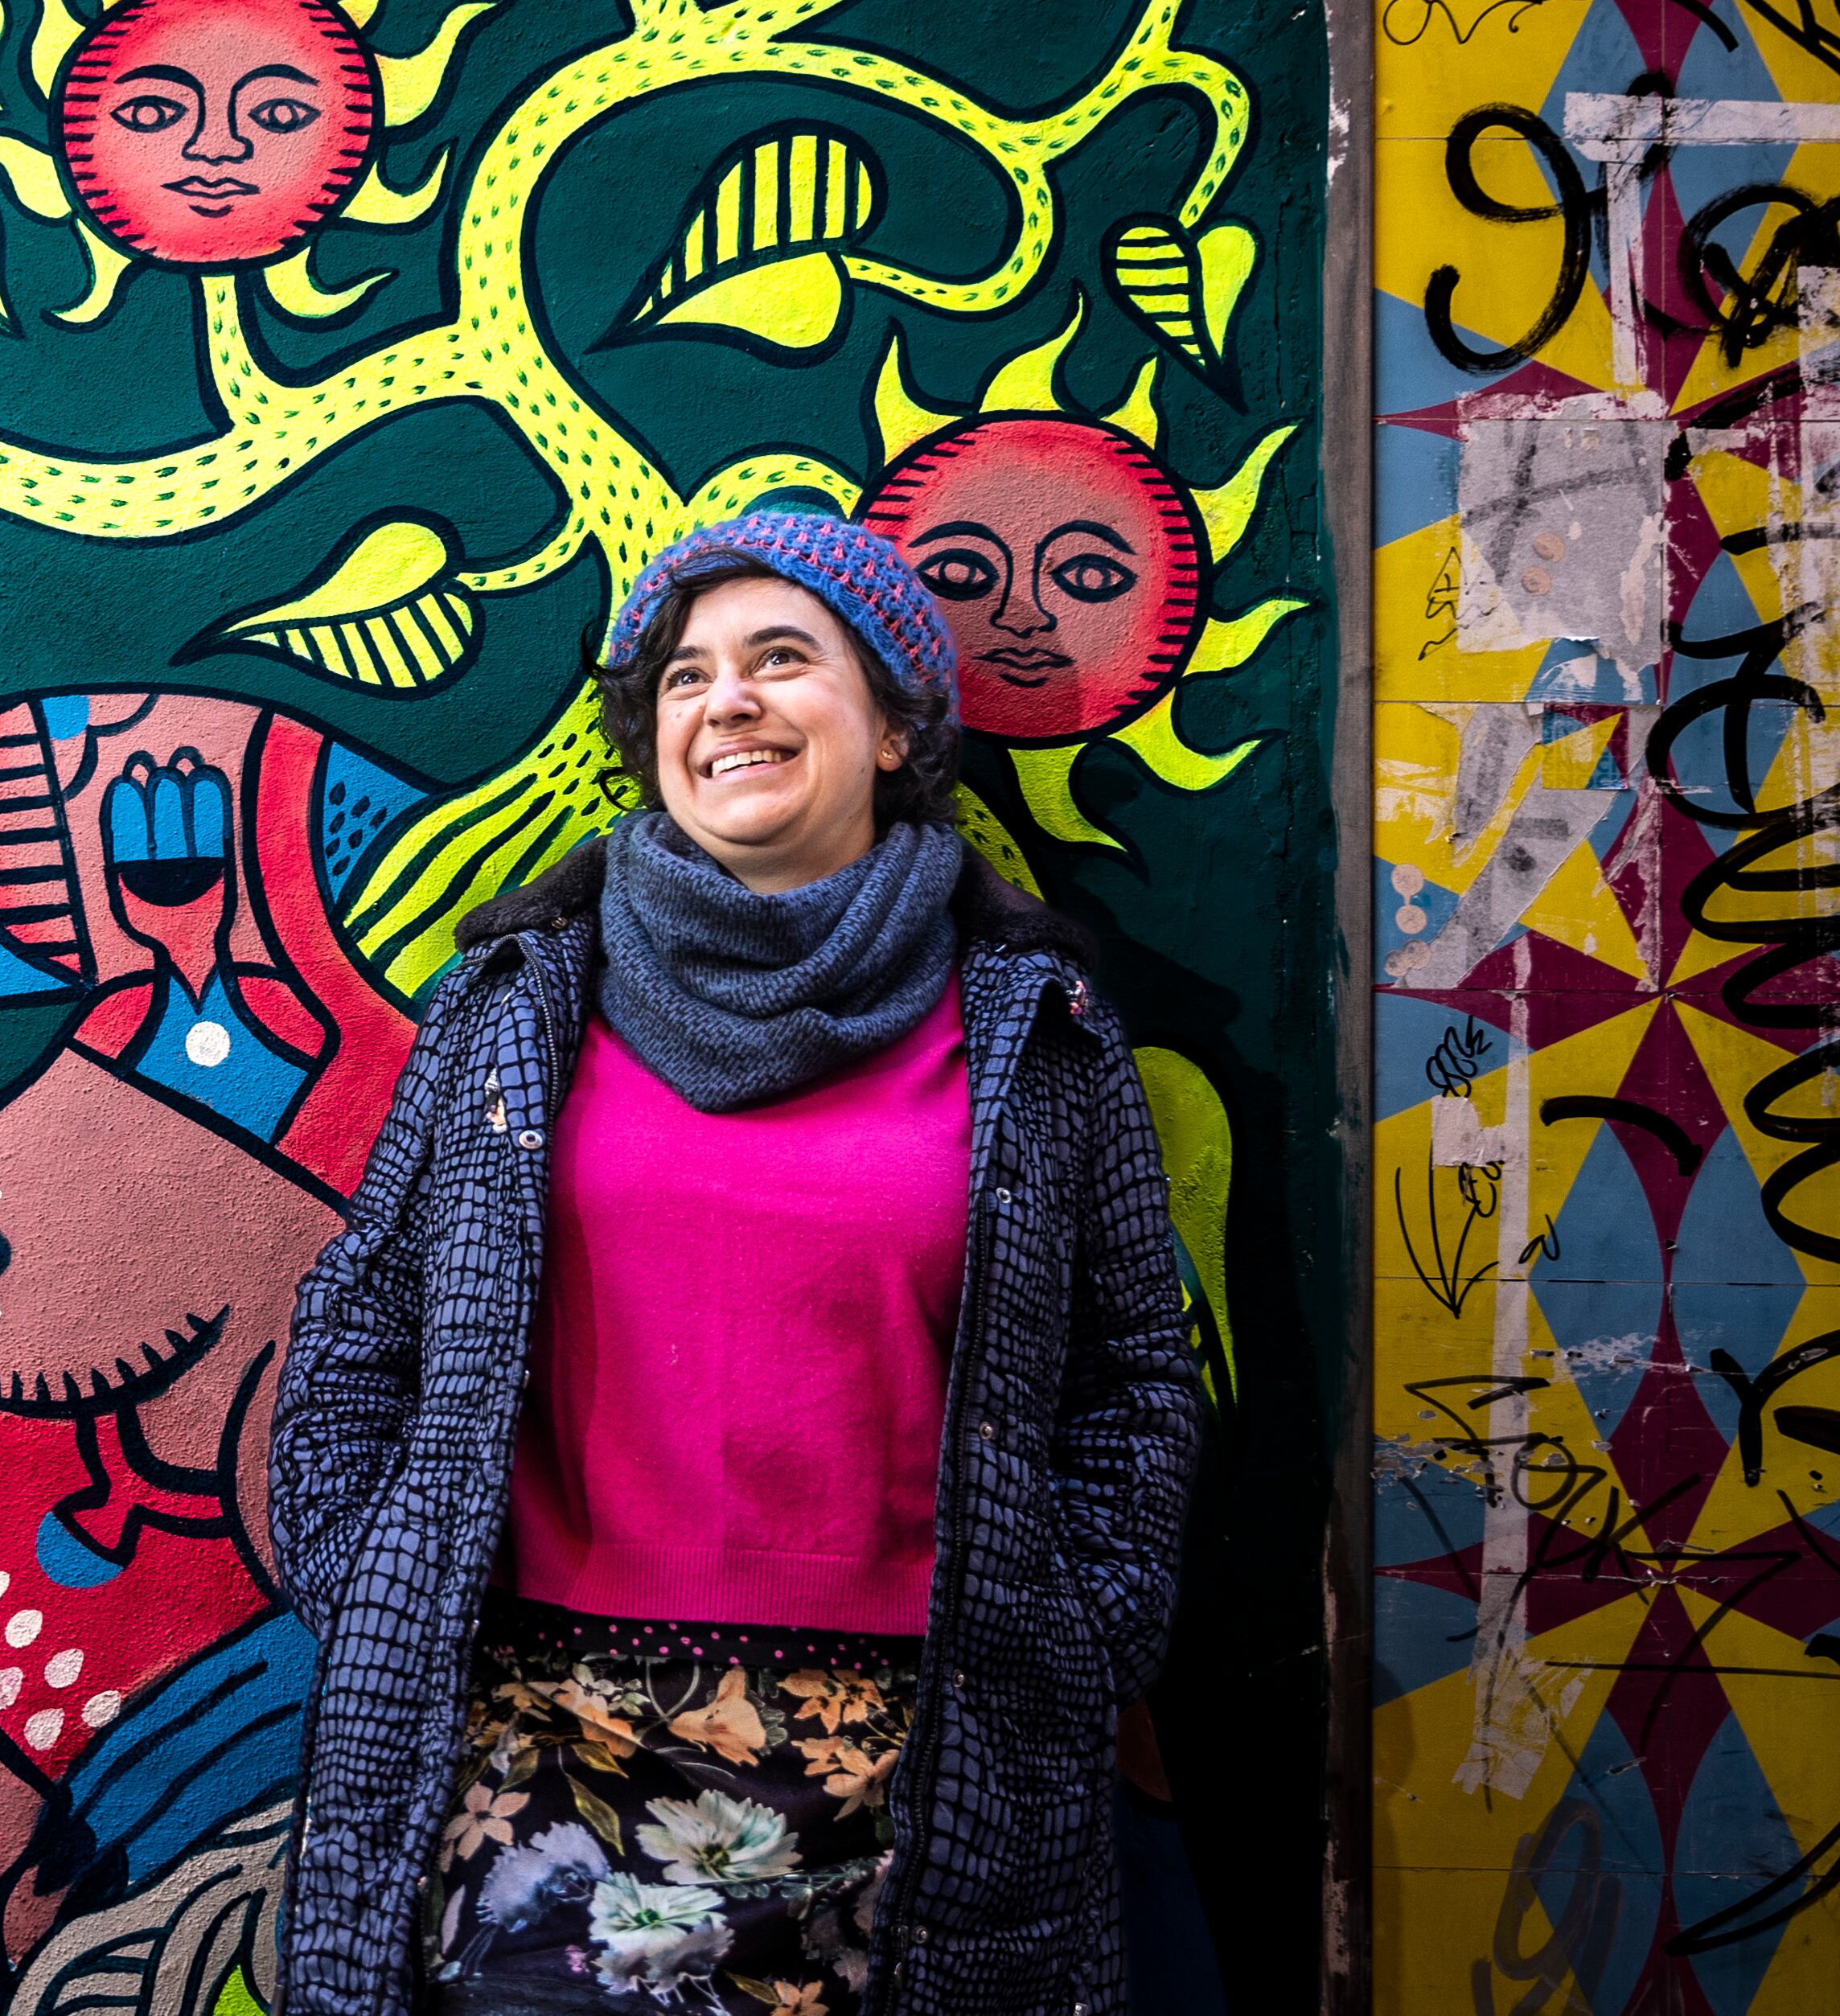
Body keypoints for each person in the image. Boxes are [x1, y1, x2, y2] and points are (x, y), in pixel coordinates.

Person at [270, 507, 1201, 2014]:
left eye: (782, 659)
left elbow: (1128, 1377)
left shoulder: (1036, 1027)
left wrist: (1078, 1634)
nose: (728, 703)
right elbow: (364, 1316)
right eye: (686, 677)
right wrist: (371, 1575)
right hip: (538, 1754)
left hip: (926, 1772)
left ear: (898, 725)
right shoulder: (512, 1004)